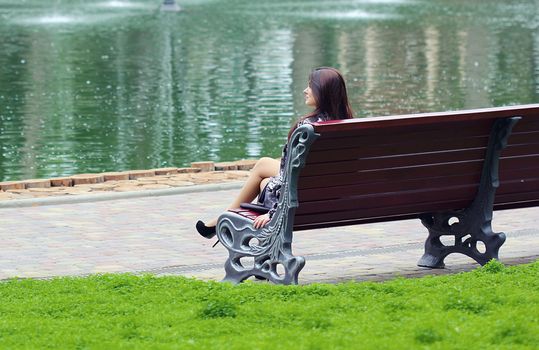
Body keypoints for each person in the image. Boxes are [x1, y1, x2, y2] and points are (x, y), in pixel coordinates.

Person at [196, 67, 354, 238]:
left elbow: (291, 176)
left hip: (301, 199)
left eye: (310, 86)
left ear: (322, 91)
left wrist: (272, 214)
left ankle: (225, 218)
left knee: (264, 181)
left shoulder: (308, 128)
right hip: (331, 196)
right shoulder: (348, 124)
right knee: (264, 165)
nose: (305, 90)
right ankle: (224, 218)